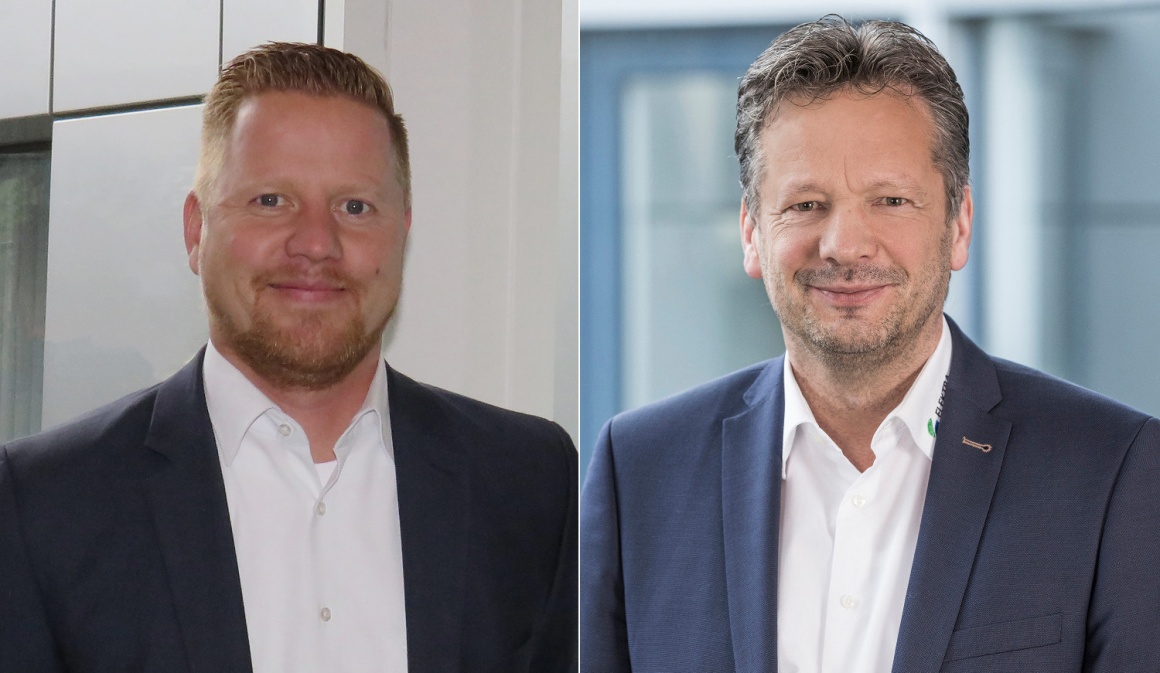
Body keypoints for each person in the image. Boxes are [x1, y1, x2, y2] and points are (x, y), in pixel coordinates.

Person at [580, 15, 1160, 673]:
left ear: (959, 223)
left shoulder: (1112, 472)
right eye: (805, 204)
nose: (846, 245)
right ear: (751, 231)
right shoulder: (639, 471)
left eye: (889, 199)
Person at [0, 43, 576, 673]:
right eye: (271, 201)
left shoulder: (531, 483)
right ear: (196, 231)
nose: (315, 244)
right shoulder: (44, 506)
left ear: (401, 233)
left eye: (355, 207)